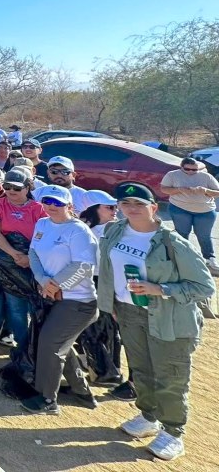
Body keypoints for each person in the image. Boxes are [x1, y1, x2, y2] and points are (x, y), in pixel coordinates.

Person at [97, 183, 214, 461]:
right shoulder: (115, 230)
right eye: (126, 204)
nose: (132, 208)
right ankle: (149, 416)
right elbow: (108, 269)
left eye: (139, 204)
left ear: (153, 207)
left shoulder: (172, 242)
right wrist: (112, 304)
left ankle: (173, 432)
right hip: (128, 312)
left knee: (170, 375)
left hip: (168, 317)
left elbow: (204, 286)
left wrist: (161, 289)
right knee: (141, 369)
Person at [21, 185, 99, 414]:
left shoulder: (79, 230)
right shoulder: (42, 223)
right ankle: (81, 391)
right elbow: (33, 253)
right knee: (59, 343)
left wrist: (55, 285)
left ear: (69, 206)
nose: (51, 206)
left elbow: (84, 266)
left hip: (78, 302)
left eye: (57, 203)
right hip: (50, 295)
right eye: (47, 202)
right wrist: (44, 281)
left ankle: (47, 399)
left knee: (50, 343)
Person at [0, 169, 48, 351]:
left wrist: (30, 259)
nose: (11, 191)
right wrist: (14, 254)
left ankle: (39, 350)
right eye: (7, 187)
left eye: (17, 188)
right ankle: (24, 350)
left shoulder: (39, 209)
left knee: (37, 308)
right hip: (8, 263)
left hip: (36, 262)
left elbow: (46, 237)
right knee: (15, 306)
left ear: (28, 188)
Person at [77, 190, 128, 392]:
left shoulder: (116, 229)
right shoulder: (81, 228)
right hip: (84, 280)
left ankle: (109, 371)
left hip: (105, 282)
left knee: (107, 327)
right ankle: (93, 365)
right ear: (93, 208)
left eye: (115, 207)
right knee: (88, 326)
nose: (115, 211)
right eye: (109, 207)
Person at [160, 157, 219, 275]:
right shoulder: (172, 175)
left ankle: (209, 259)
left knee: (204, 236)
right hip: (180, 209)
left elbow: (217, 192)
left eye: (194, 170)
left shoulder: (206, 177)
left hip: (205, 211)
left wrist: (205, 191)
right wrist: (179, 190)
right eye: (187, 169)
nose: (191, 172)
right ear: (181, 167)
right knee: (182, 234)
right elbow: (164, 189)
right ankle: (183, 257)